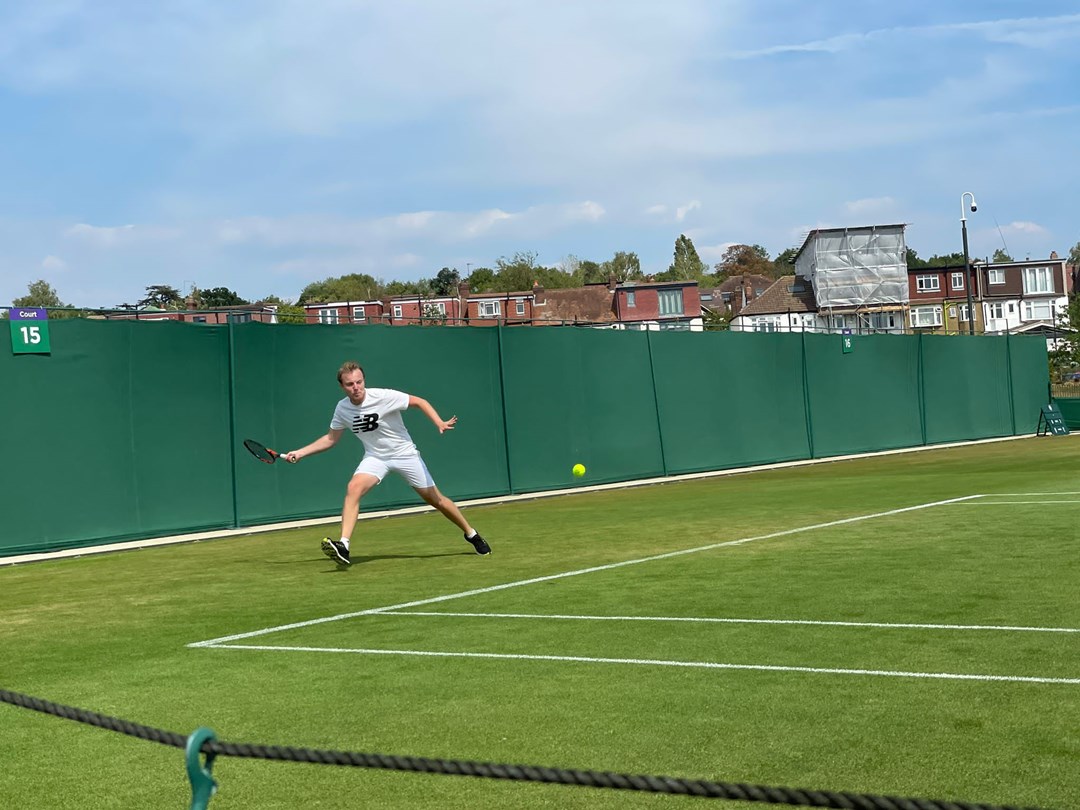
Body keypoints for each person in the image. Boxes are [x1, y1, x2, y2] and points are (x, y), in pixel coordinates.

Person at [284, 361, 491, 565]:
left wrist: (438, 422)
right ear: (342, 386)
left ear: (364, 380)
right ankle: (344, 545)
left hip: (405, 454)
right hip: (375, 457)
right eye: (350, 384)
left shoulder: (383, 396)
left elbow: (419, 401)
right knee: (353, 488)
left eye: (359, 382)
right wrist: (301, 453)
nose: (356, 387)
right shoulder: (342, 408)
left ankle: (471, 534)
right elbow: (331, 439)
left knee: (436, 500)